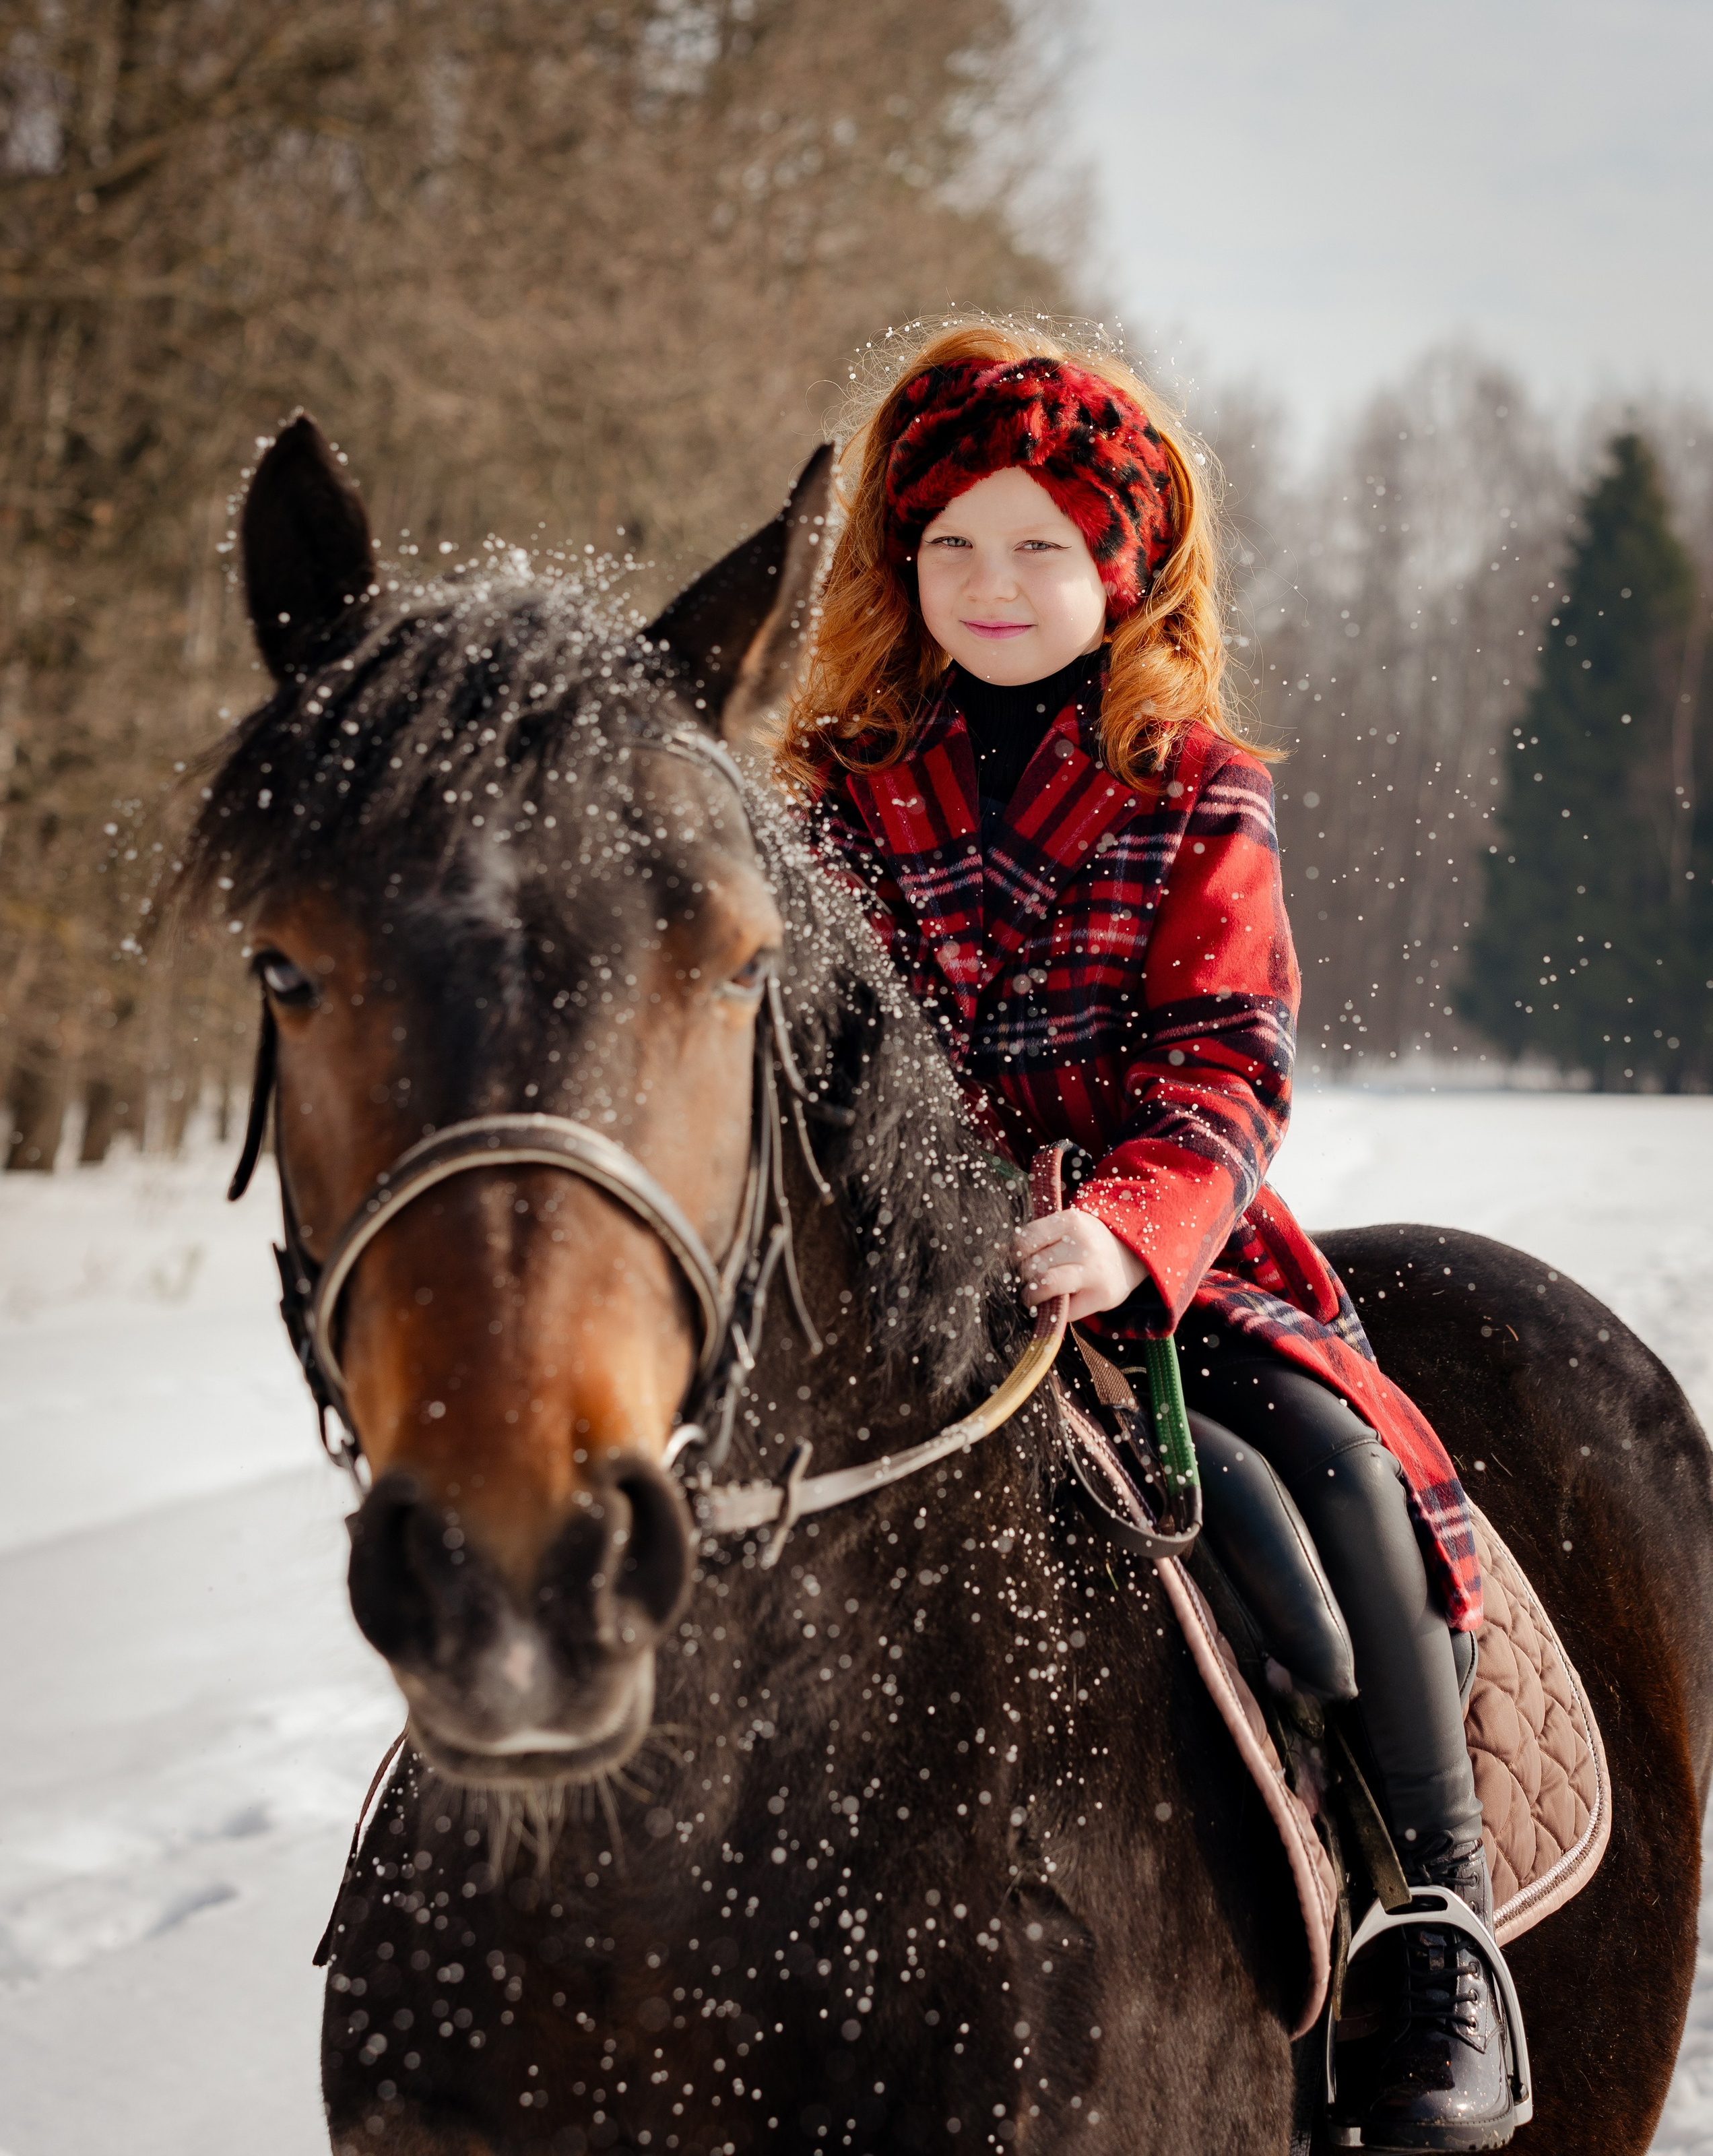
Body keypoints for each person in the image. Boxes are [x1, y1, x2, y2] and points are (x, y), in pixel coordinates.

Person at [777, 320, 1518, 2150]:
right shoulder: (833, 789)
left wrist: (1122, 1230)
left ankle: (1436, 1916)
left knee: (1325, 1475)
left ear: (1125, 566)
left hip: (1150, 1264)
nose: (994, 585)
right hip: (895, 1269)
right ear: (898, 563)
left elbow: (1227, 1067)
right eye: (951, 542)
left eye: (1040, 547)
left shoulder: (1197, 785)